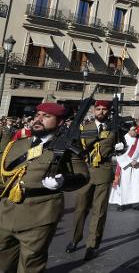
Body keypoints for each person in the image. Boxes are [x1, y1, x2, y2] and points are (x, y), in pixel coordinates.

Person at [0, 103, 89, 272]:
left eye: (46, 116)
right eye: (38, 115)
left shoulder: (66, 148)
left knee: (30, 266)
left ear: (60, 122)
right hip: (6, 212)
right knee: (3, 264)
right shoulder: (17, 144)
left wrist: (63, 181)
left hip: (39, 214)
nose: (38, 119)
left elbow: (83, 176)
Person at [66, 100, 124, 260]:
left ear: (109, 111)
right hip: (85, 172)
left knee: (99, 211)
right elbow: (74, 152)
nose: (101, 112)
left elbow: (122, 147)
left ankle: (92, 244)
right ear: (93, 110)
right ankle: (75, 239)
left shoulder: (115, 129)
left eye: (104, 109)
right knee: (80, 209)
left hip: (104, 172)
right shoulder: (83, 127)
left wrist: (120, 148)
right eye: (98, 109)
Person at [109, 125, 139, 211]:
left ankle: (136, 203)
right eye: (133, 130)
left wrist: (138, 161)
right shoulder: (122, 138)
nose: (136, 131)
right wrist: (129, 161)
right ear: (128, 130)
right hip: (125, 165)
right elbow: (119, 153)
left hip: (136, 165)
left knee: (136, 185)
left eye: (136, 129)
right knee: (123, 185)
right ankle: (121, 204)